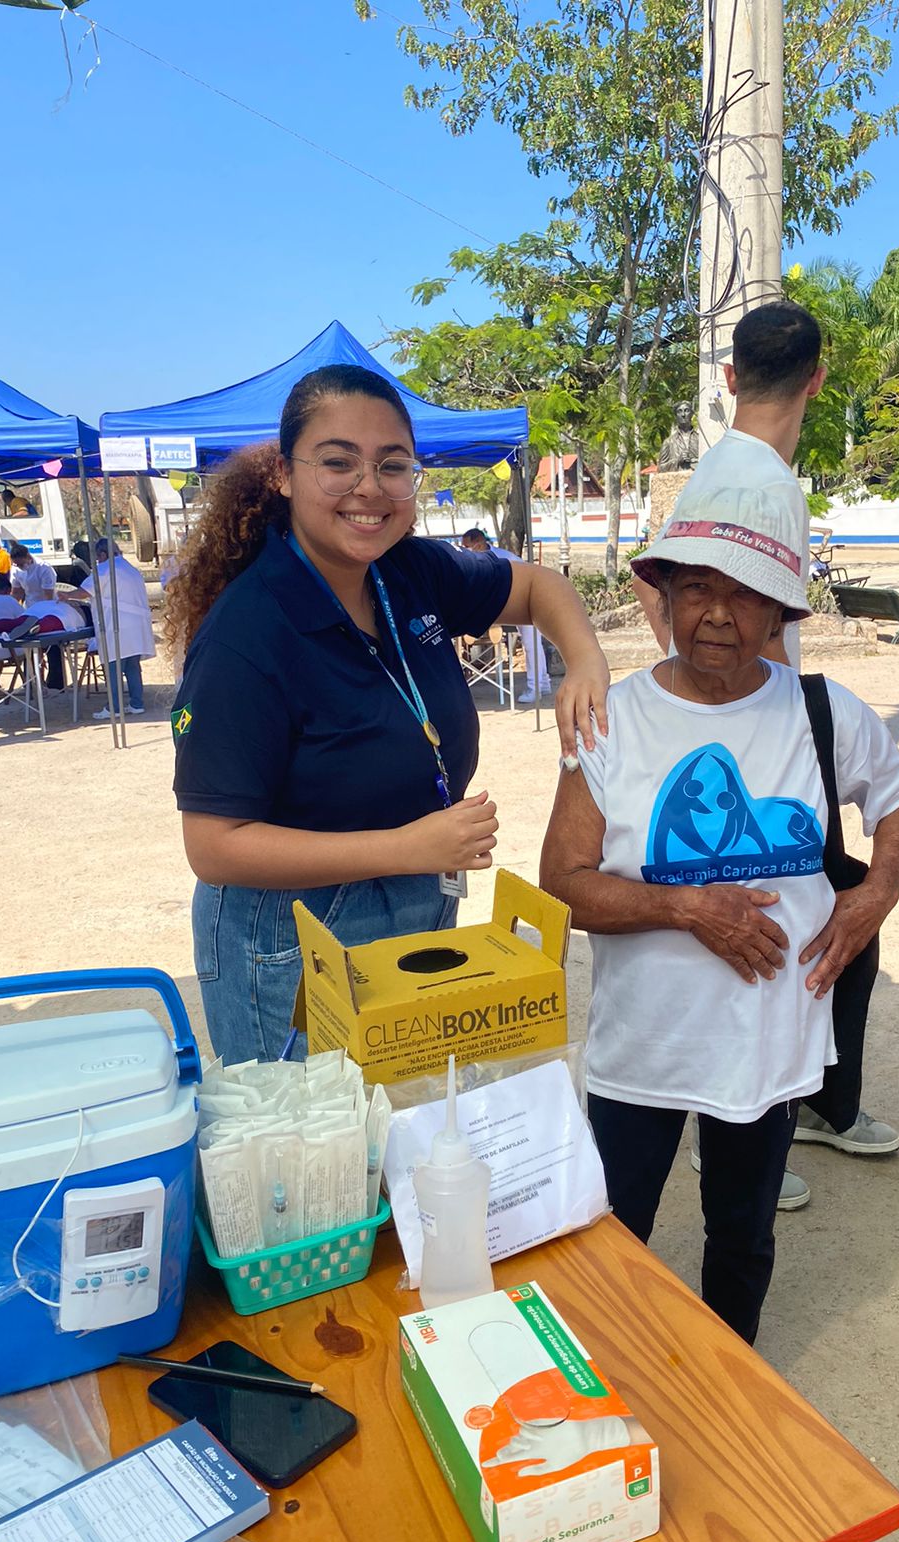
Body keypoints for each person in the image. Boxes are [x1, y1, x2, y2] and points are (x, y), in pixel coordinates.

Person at [539, 480, 899, 1343]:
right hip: (645, 1046)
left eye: (747, 593)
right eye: (700, 589)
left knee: (743, 1236)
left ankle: (731, 1382)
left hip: (767, 1041)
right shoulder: (612, 722)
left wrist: (876, 895)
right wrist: (685, 908)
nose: (721, 613)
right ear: (664, 598)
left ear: (781, 610)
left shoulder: (822, 713)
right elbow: (564, 881)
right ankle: (610, 1384)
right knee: (613, 1233)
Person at [164, 363, 609, 1065]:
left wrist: (584, 659)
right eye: (338, 462)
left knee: (404, 1138)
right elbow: (215, 845)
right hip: (289, 937)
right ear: (283, 474)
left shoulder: (407, 571)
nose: (369, 488)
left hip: (413, 897)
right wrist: (407, 848)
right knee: (320, 1159)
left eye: (392, 465)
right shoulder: (249, 634)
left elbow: (539, 586)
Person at [638, 302, 899, 1204]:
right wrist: (742, 710)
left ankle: (810, 1104)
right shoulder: (767, 487)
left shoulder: (719, 470)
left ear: (730, 377)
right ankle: (752, 1127)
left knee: (826, 931)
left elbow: (660, 595)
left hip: (767, 730)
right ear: (818, 379)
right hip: (768, 741)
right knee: (796, 931)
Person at [459, 527, 549, 704]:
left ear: (478, 543)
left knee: (532, 645)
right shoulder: (475, 560)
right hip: (510, 604)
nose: (464, 549)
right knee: (532, 644)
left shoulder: (503, 558)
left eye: (467, 546)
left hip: (528, 600)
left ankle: (535, 687)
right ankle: (543, 682)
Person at [77, 537, 155, 718]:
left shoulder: (105, 569)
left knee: (113, 668)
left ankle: (115, 707)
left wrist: (65, 596)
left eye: (98, 557)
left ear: (103, 554)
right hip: (136, 626)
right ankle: (137, 703)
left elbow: (84, 592)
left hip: (116, 625)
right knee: (132, 667)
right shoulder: (131, 569)